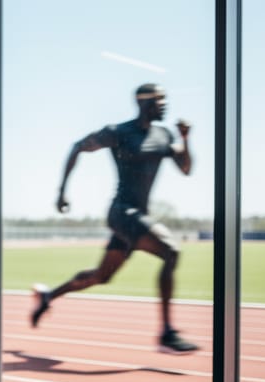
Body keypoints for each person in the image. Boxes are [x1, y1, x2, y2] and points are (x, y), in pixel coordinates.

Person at [31, 83, 200, 355]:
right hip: (122, 213)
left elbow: (186, 168)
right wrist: (62, 191)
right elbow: (77, 147)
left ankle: (48, 296)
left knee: (101, 276)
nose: (165, 105)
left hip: (138, 217)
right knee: (171, 251)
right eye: (160, 100)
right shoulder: (119, 133)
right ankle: (167, 333)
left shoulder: (164, 134)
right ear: (143, 103)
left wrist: (185, 139)